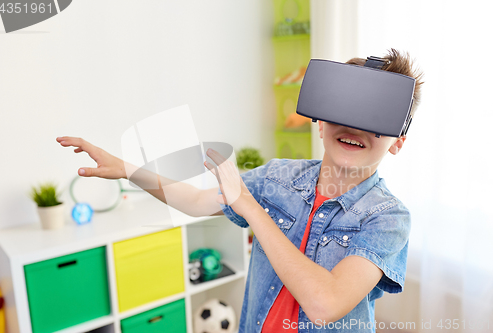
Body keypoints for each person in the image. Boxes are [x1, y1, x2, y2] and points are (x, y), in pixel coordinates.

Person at [56, 48, 423, 332]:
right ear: (320, 121)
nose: (354, 125)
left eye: (374, 116)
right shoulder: (278, 177)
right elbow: (199, 202)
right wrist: (125, 169)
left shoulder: (388, 217)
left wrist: (249, 206)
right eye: (343, 108)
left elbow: (325, 303)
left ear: (398, 142)